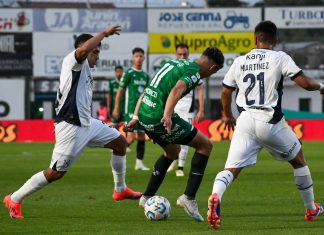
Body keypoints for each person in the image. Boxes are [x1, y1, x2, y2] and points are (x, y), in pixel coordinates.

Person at [3, 26, 142, 219]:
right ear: (85, 49)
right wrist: (104, 34)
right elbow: (84, 51)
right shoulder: (72, 61)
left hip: (86, 124)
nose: (98, 57)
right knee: (55, 173)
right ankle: (14, 198)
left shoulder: (86, 70)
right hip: (70, 127)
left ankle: (120, 189)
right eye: (96, 52)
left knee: (120, 143)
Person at [207, 20, 324, 230]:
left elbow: (225, 92)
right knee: (299, 161)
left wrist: (227, 116)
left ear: (255, 39)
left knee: (231, 168)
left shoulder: (240, 61)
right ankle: (311, 208)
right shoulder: (279, 57)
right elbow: (305, 84)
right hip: (269, 121)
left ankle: (216, 195)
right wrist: (320, 86)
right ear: (275, 40)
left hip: (244, 120)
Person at [124, 47, 224, 222]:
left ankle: (146, 196)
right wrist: (168, 115)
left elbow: (147, 90)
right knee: (205, 145)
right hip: (158, 117)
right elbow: (177, 90)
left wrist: (136, 116)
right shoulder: (194, 72)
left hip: (145, 115)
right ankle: (189, 198)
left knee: (172, 152)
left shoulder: (174, 62)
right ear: (213, 68)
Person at [167, 43, 205, 177]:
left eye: (185, 54)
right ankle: (173, 160)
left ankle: (181, 167)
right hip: (172, 108)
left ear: (188, 55)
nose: (182, 56)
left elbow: (200, 89)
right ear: (175, 55)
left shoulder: (193, 69)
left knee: (186, 137)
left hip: (187, 109)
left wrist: (201, 109)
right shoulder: (171, 67)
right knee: (171, 137)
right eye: (179, 54)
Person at [112, 47, 150, 170]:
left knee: (141, 136)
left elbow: (147, 94)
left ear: (143, 58)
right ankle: (117, 150)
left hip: (142, 111)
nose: (139, 58)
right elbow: (120, 91)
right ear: (133, 58)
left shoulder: (145, 76)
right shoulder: (129, 73)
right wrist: (116, 108)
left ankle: (139, 163)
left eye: (140, 56)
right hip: (130, 110)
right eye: (136, 56)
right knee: (132, 137)